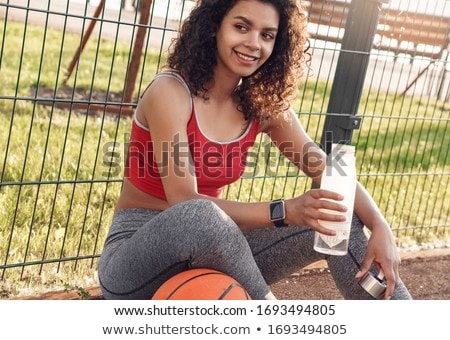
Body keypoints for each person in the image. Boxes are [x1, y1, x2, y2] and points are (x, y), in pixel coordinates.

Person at [98, 0, 412, 300]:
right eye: (241, 27)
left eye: (267, 35)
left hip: (218, 251)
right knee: (201, 215)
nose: (253, 43)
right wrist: (285, 211)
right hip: (136, 261)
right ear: (214, 27)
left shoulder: (262, 106)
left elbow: (330, 170)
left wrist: (380, 226)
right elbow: (184, 201)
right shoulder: (170, 92)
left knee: (332, 210)